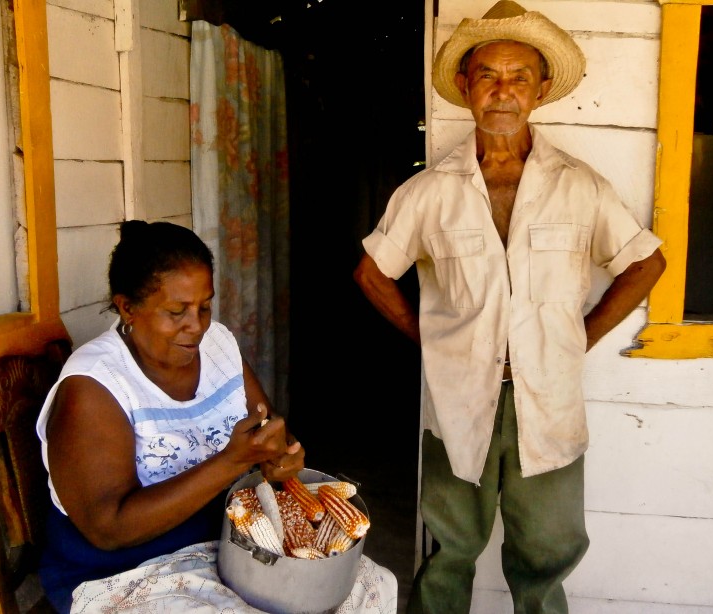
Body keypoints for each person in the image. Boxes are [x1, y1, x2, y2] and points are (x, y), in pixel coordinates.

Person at [352, 2, 667, 613]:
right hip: (457, 401)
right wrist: (431, 338)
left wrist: (582, 334)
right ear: (467, 87)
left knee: (546, 553)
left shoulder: (579, 185)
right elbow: (372, 272)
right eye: (488, 76)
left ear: (541, 89)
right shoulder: (428, 192)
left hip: (546, 401)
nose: (502, 91)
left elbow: (644, 263)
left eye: (518, 76)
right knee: (449, 549)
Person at [37, 220, 397, 613]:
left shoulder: (218, 345)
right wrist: (233, 462)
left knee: (369, 584)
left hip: (222, 541)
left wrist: (280, 455)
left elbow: (268, 424)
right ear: (128, 308)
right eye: (177, 312)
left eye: (204, 306)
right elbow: (109, 529)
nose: (196, 326)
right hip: (123, 569)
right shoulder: (95, 386)